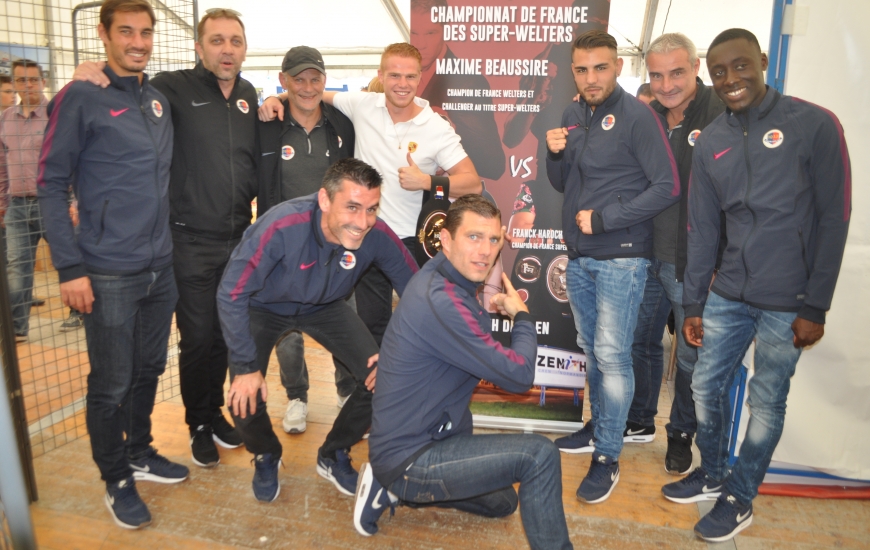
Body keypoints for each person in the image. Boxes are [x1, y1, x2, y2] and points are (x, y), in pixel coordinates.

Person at [662, 29, 851, 542]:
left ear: (763, 62)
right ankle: (715, 471)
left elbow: (835, 218)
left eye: (741, 66)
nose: (731, 80)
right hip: (729, 293)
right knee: (704, 385)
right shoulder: (713, 141)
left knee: (767, 403)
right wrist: (696, 301)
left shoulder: (813, 124)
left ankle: (739, 497)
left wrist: (817, 304)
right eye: (720, 72)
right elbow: (700, 229)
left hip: (789, 301)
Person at [73, 8, 259, 467]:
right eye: (217, 41)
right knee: (196, 337)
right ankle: (197, 421)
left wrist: (274, 103)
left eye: (235, 41)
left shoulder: (251, 94)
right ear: (200, 48)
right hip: (189, 241)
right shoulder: (171, 88)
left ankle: (213, 413)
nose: (227, 49)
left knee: (223, 335)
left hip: (238, 240)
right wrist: (91, 70)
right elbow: (126, 85)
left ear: (244, 48)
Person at [38, 0, 189, 529]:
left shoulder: (155, 99)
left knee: (149, 368)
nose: (139, 42)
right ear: (103, 36)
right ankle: (115, 475)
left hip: (159, 267)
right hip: (105, 271)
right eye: (126, 31)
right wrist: (69, 268)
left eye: (145, 32)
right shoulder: (81, 96)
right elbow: (51, 186)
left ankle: (140, 450)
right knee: (111, 381)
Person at [355, 195, 572, 550]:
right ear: (446, 240)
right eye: (473, 237)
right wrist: (522, 316)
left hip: (435, 437)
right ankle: (393, 484)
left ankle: (396, 490)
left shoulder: (442, 276)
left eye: (492, 239)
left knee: (505, 502)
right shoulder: (442, 300)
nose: (485, 251)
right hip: (411, 457)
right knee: (539, 456)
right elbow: (519, 376)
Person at [258, 42, 482, 353]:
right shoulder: (363, 104)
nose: (401, 84)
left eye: (409, 77)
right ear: (381, 75)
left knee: (422, 320)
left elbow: (473, 184)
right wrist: (274, 97)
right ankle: (378, 397)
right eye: (394, 75)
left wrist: (427, 181)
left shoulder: (435, 126)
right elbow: (309, 94)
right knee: (372, 327)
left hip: (412, 243)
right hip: (367, 237)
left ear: (420, 77)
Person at [217, 158, 418, 502]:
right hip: (265, 308)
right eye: (352, 208)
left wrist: (396, 355)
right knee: (243, 395)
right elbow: (231, 292)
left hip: (327, 308)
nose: (362, 222)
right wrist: (246, 368)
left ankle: (333, 452)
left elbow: (417, 291)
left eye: (371, 209)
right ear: (325, 200)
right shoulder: (281, 226)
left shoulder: (376, 233)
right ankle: (266, 453)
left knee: (385, 379)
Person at [546, 30, 679, 503]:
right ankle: (598, 429)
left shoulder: (639, 117)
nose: (590, 77)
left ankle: (608, 455)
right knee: (591, 347)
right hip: (581, 256)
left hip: (622, 256)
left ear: (618, 66)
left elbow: (667, 187)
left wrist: (606, 219)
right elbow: (562, 183)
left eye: (600, 67)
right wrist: (554, 152)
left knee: (612, 353)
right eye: (581, 69)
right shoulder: (572, 114)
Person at [625, 33, 725, 475]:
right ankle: (640, 419)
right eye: (657, 75)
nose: (666, 85)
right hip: (645, 254)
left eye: (677, 73)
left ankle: (681, 432)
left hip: (695, 265)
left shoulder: (722, 114)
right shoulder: (646, 117)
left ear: (696, 66)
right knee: (639, 340)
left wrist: (722, 262)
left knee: (689, 354)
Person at [256, 45, 356, 434]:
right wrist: (270, 100)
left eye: (315, 78)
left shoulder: (342, 124)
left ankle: (346, 391)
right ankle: (297, 397)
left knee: (341, 319)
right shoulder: (268, 124)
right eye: (298, 79)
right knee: (287, 328)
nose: (308, 87)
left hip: (335, 243)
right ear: (284, 81)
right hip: (283, 245)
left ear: (324, 81)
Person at [410, 0, 504, 181]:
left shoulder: (469, 81)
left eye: (430, 33)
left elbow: (494, 165)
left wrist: (453, 130)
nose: (420, 44)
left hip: (447, 198)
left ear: (445, 32)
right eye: (414, 33)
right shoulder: (402, 77)